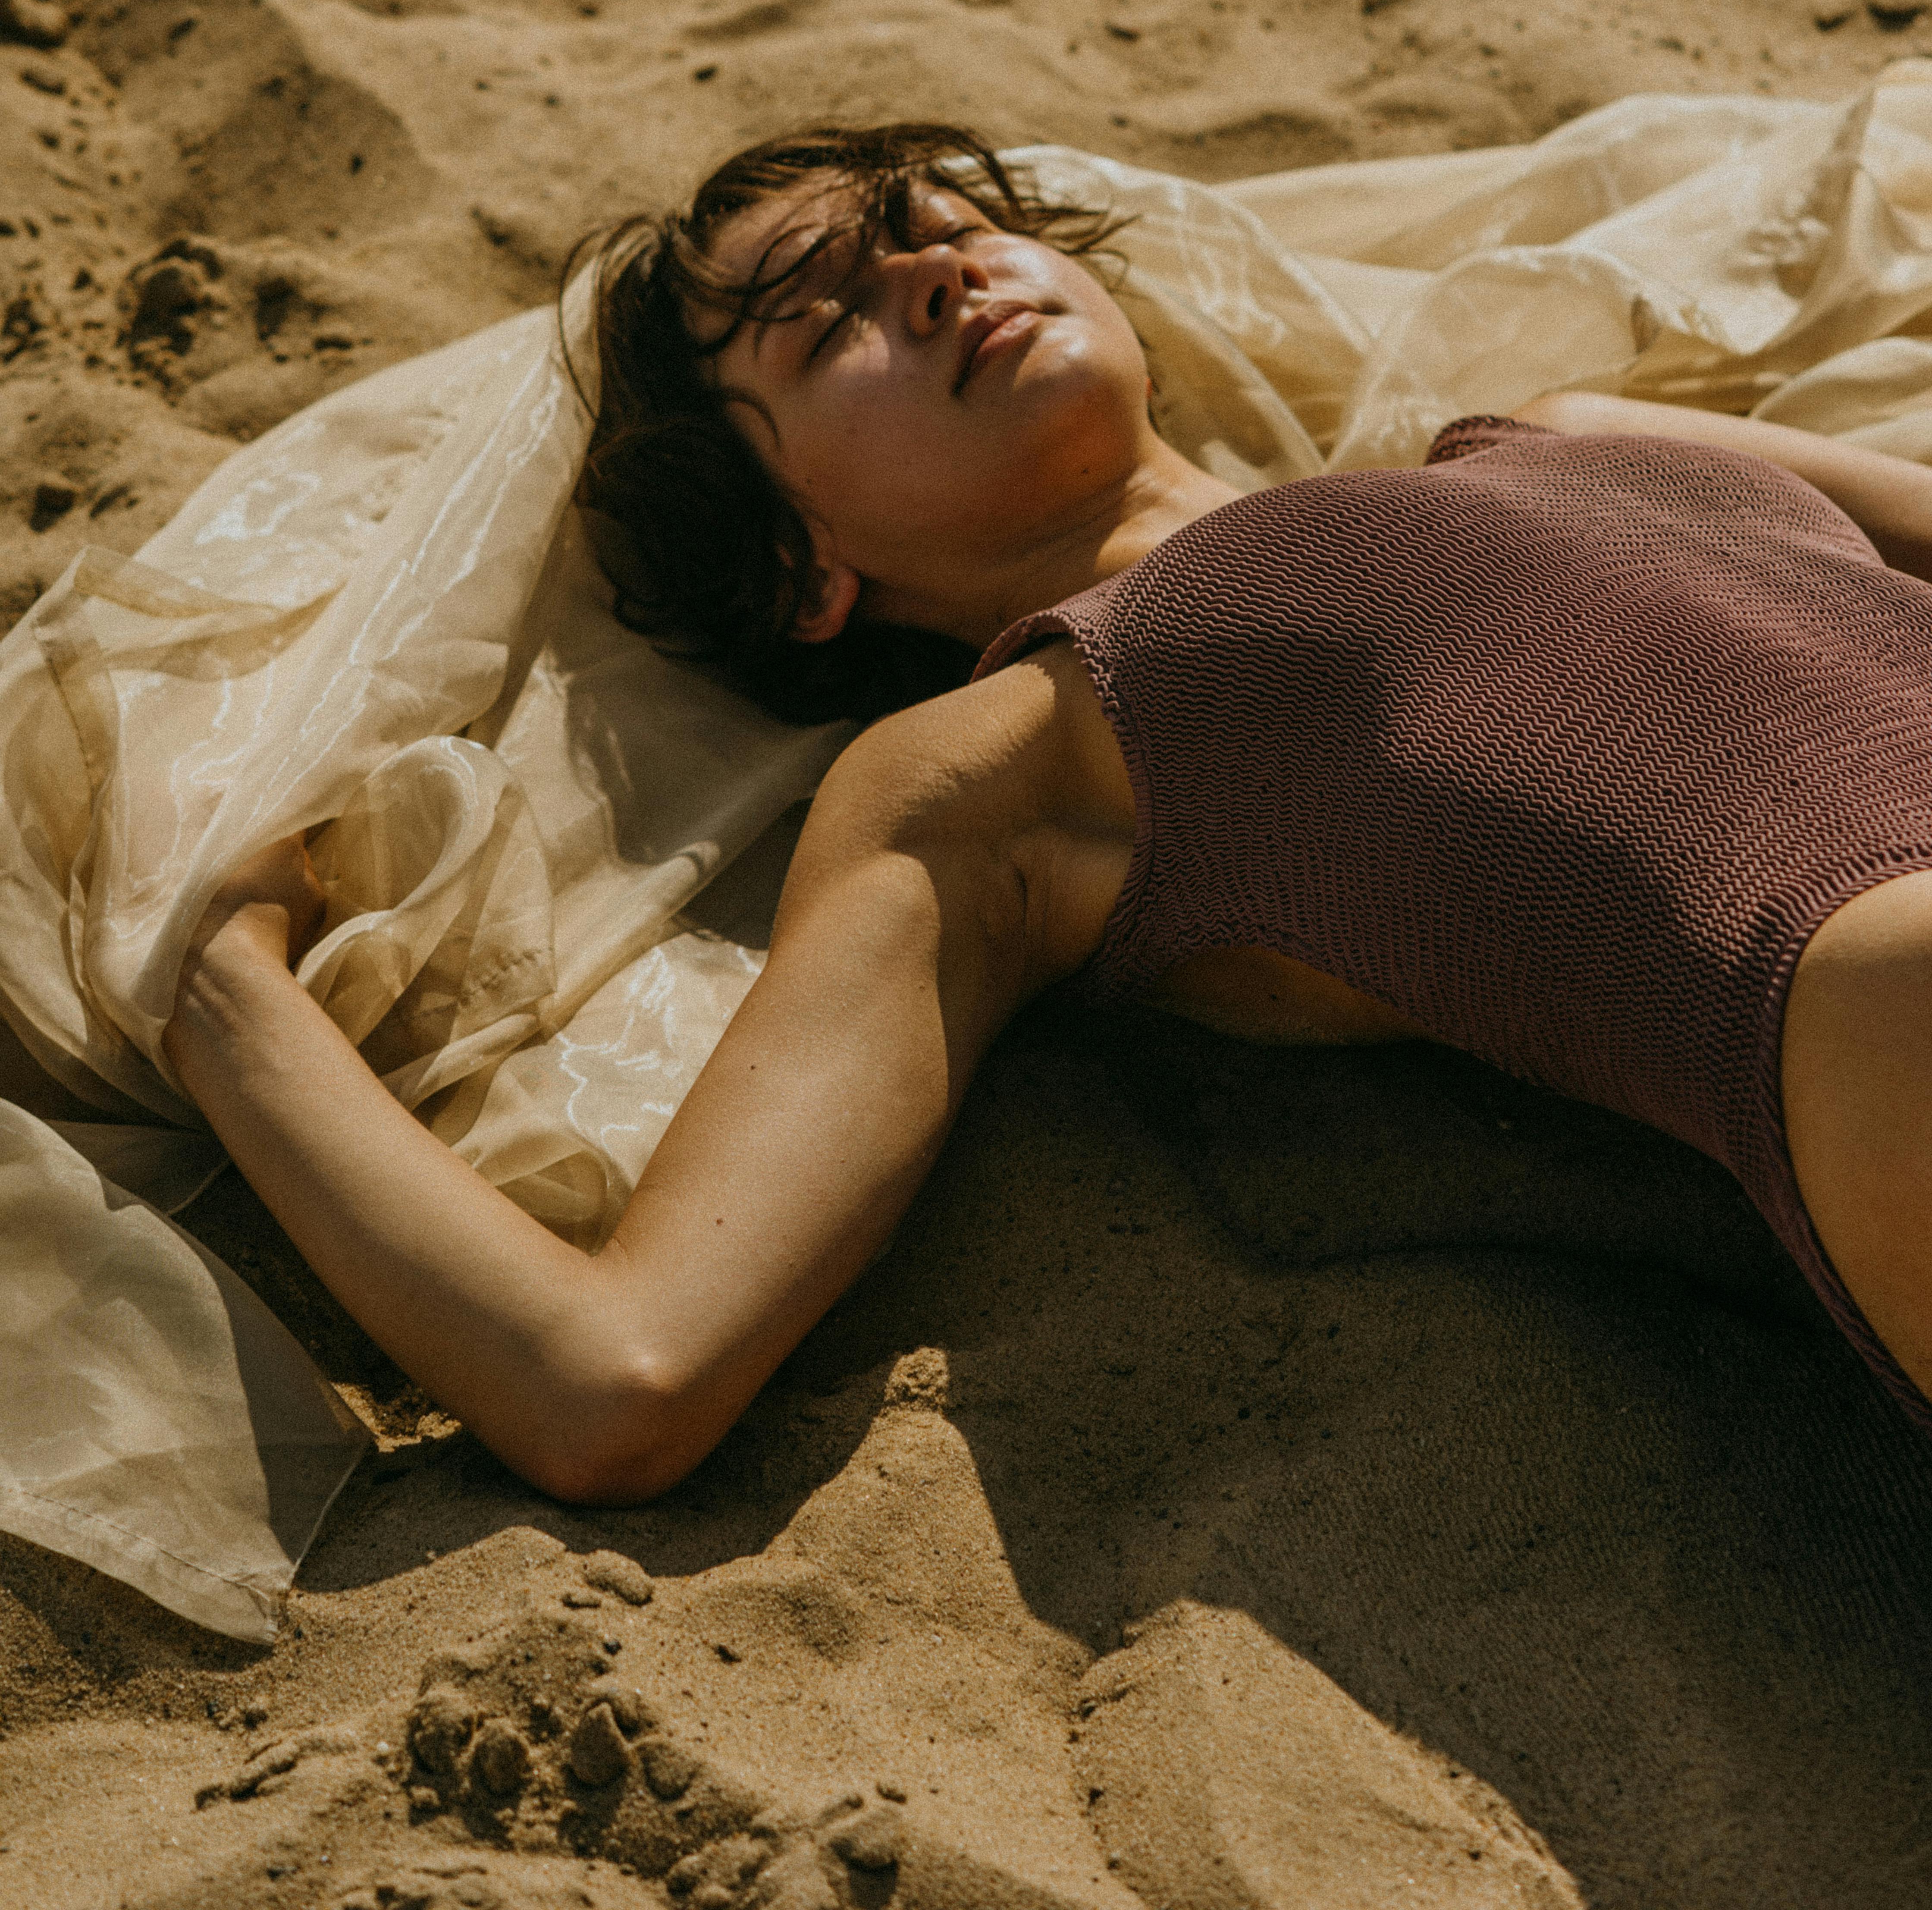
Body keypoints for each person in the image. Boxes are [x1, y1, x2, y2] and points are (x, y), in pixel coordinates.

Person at [161, 120, 1932, 1501]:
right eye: (824, 316)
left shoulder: (1572, 431)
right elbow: (617, 1378)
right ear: (799, 574)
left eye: (935, 227)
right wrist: (225, 992)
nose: (929, 277)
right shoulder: (1002, 760)